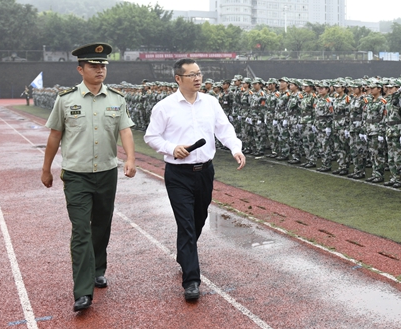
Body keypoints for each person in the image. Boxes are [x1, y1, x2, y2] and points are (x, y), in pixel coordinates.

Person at [40, 43, 137, 312]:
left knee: (102, 225)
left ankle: (98, 269)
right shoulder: (65, 100)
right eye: (94, 66)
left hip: (106, 173)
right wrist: (46, 169)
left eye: (103, 65)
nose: (100, 70)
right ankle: (82, 292)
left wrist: (130, 159)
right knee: (81, 230)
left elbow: (125, 131)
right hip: (76, 175)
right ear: (80, 69)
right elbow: (55, 135)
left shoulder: (117, 99)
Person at [144, 58, 246, 301]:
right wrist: (171, 148)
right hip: (178, 174)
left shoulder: (211, 103)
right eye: (192, 75)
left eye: (199, 73)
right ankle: (191, 280)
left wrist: (235, 148)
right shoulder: (164, 107)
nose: (198, 78)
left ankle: (184, 254)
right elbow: (151, 137)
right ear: (178, 79)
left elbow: (224, 129)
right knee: (186, 224)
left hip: (205, 172)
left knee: (199, 219)